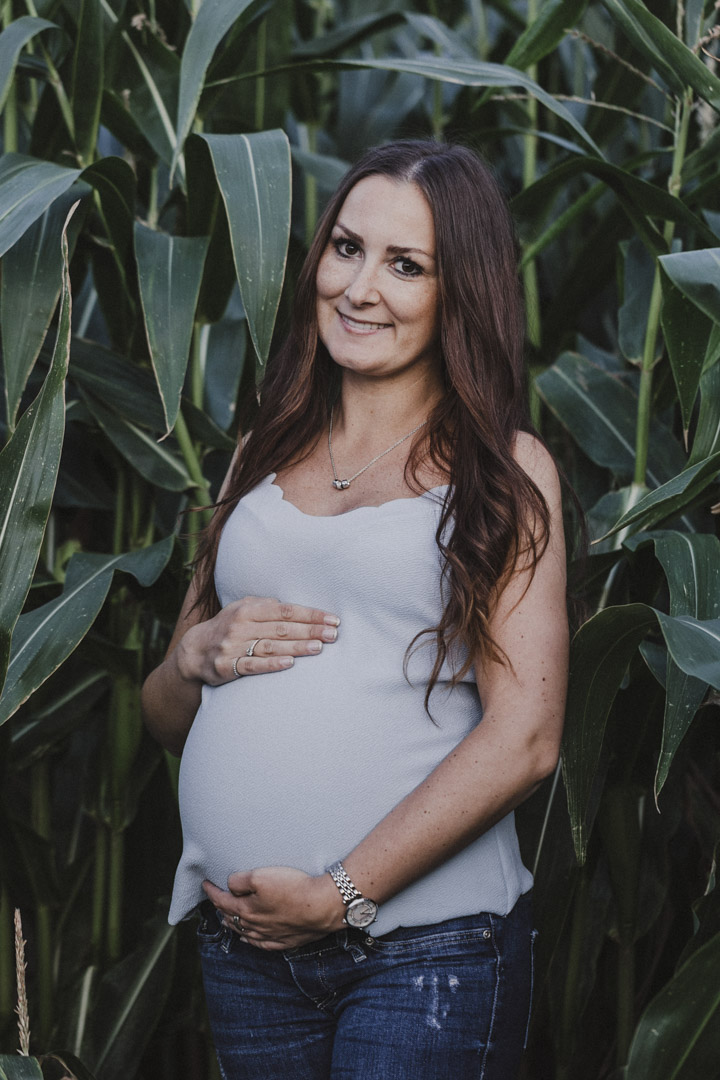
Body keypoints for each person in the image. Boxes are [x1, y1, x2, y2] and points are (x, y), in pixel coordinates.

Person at [141, 139, 568, 1080]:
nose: (360, 287)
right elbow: (166, 718)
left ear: (461, 293)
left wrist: (340, 895)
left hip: (427, 954)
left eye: (406, 265)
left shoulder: (501, 470)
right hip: (248, 950)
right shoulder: (260, 452)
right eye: (347, 248)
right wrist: (192, 658)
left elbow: (528, 738)